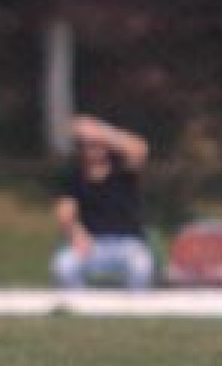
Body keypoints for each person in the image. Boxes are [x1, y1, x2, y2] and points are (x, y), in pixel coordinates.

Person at [51, 114, 154, 291]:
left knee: (141, 267)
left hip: (127, 243)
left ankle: (134, 311)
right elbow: (64, 211)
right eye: (87, 145)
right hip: (91, 244)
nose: (93, 149)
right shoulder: (73, 175)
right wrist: (76, 233)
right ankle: (81, 310)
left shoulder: (123, 170)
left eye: (98, 144)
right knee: (63, 266)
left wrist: (100, 130)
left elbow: (140, 149)